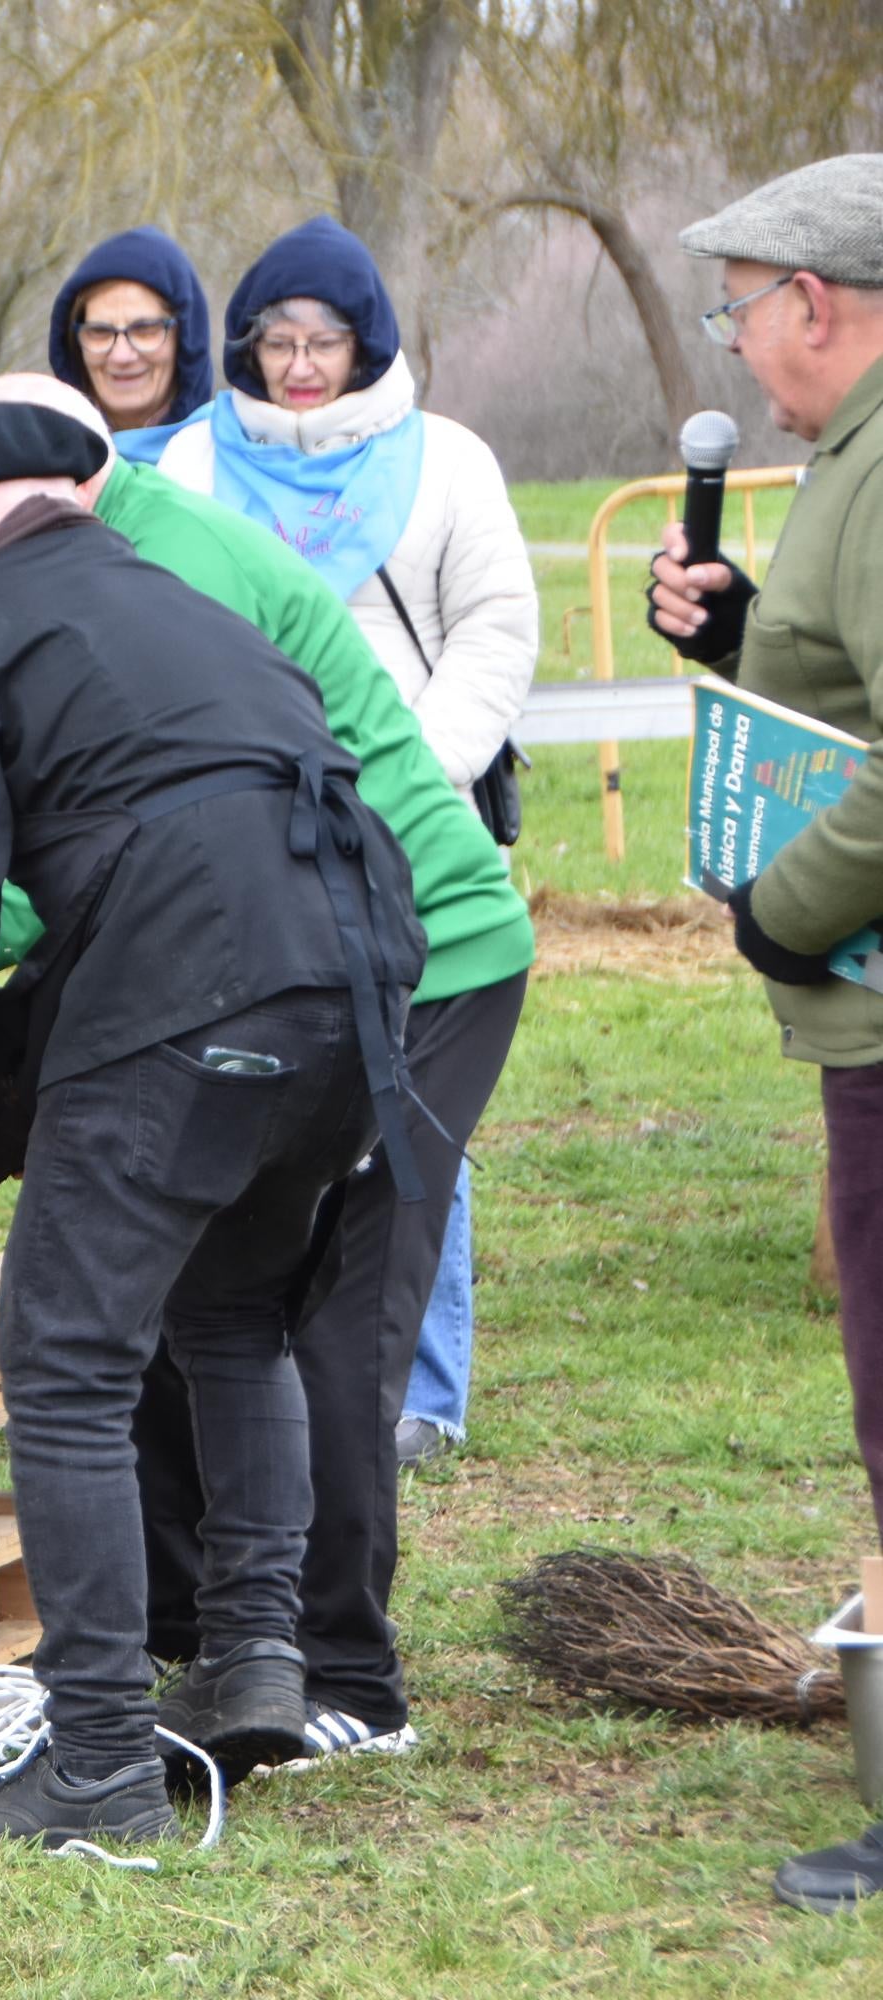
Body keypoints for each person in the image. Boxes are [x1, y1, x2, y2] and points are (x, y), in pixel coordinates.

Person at [0, 401, 424, 1845]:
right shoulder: (182, 604)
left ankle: (96, 1759)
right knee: (235, 1323)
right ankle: (255, 1662)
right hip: (354, 983)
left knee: (70, 1355)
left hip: (194, 976)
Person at [0, 373, 535, 1775]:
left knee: (328, 1316)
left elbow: (155, 810)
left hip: (417, 949)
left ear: (70, 478)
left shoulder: (164, 557)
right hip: (286, 948)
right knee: (204, 1297)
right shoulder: (106, 544)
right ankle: (215, 1640)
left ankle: (349, 1678)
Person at [156, 215, 538, 1469]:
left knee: (419, 1098)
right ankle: (273, 1352)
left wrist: (408, 774)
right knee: (286, 1087)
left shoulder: (445, 462)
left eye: (325, 341)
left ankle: (419, 1384)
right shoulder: (197, 470)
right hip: (256, 829)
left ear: (366, 343)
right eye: (277, 340)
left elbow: (492, 629)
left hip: (416, 819)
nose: (302, 365)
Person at [647, 153, 883, 1918]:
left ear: (817, 299)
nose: (739, 347)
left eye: (741, 310)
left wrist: (780, 907)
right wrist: (736, 641)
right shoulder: (842, 471)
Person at [45, 226, 214, 460]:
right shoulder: (39, 464)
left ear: (185, 340)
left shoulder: (231, 463)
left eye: (144, 330)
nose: (121, 356)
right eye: (100, 331)